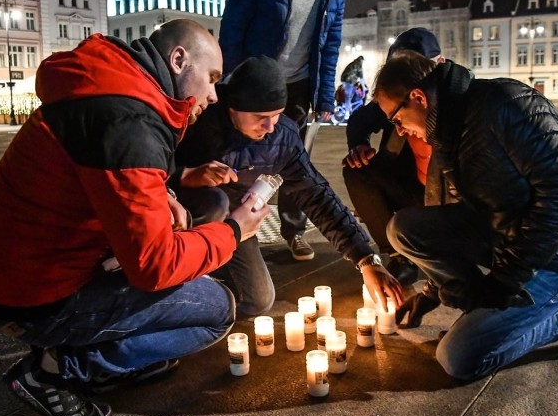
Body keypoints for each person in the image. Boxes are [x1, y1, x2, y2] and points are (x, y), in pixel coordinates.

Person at [0, 20, 270, 416]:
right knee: (217, 309)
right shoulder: (128, 121)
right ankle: (55, 369)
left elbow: (95, 175)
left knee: (185, 228)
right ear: (179, 59)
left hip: (18, 277)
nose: (213, 94)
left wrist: (164, 188)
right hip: (39, 300)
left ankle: (110, 360)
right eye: (212, 78)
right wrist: (236, 231)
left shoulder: (111, 89)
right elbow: (154, 266)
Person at [374, 51, 558, 381]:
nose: (400, 131)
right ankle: (486, 308)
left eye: (396, 119)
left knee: (458, 358)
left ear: (417, 97)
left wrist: (504, 282)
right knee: (403, 229)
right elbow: (443, 225)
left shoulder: (504, 104)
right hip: (511, 234)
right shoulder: (448, 130)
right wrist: (432, 292)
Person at [171, 55, 404, 316]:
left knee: (259, 300)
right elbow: (150, 171)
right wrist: (184, 175)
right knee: (216, 202)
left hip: (235, 227)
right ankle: (177, 285)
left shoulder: (282, 137)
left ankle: (208, 282)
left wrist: (365, 259)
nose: (270, 127)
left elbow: (316, 195)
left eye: (277, 115)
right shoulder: (197, 121)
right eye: (260, 116)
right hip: (184, 221)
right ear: (233, 107)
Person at [219, 0, 357, 262]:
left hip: (297, 85)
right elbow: (235, 19)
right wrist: (234, 75)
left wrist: (325, 95)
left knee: (294, 160)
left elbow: (330, 44)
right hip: (254, 83)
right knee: (239, 151)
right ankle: (231, 224)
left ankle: (293, 231)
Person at [341, 28, 445, 285]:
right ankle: (398, 255)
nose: (398, 127)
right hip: (412, 188)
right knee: (357, 169)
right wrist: (359, 146)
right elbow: (359, 120)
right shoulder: (396, 98)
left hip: (449, 201)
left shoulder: (456, 104)